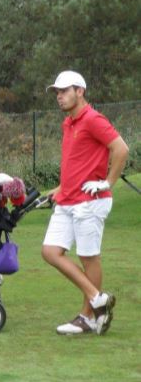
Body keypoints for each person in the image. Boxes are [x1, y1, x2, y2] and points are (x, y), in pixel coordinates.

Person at [41, 71, 128, 336]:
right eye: (57, 92)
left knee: (88, 257)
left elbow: (121, 149)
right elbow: (76, 163)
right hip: (68, 199)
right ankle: (96, 297)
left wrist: (108, 182)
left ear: (80, 91)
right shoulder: (69, 123)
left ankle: (88, 317)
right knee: (50, 251)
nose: (59, 96)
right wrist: (60, 188)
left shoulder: (93, 119)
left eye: (64, 90)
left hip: (90, 202)